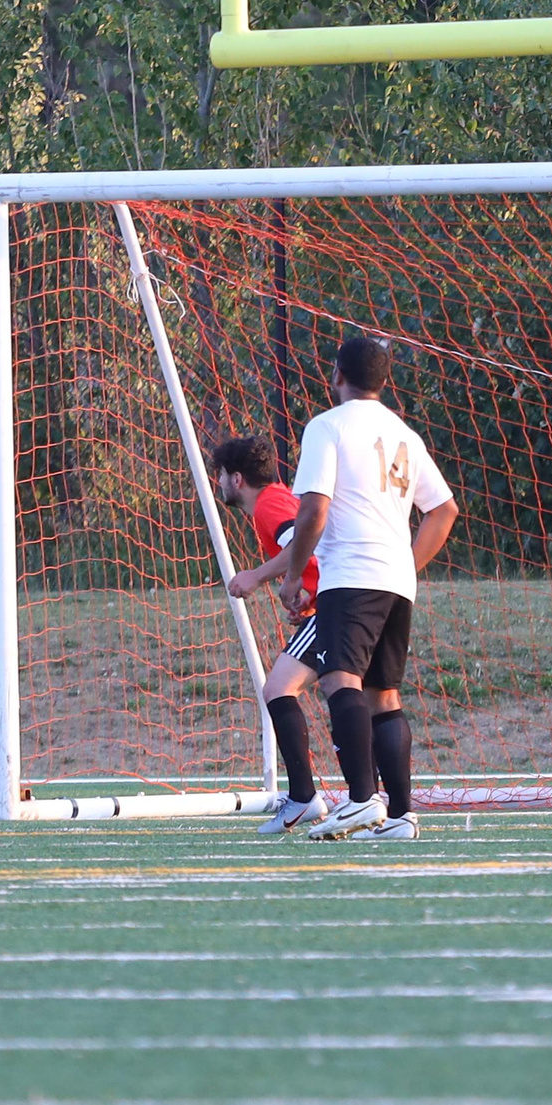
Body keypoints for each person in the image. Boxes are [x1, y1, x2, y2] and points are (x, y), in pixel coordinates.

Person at [227, 335, 458, 843]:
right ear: (383, 381)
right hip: (397, 582)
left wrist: (290, 578)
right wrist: (406, 563)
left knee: (341, 681)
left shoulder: (327, 427)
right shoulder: (405, 435)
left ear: (336, 376)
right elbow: (443, 510)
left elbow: (313, 509)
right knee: (384, 695)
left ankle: (358, 800)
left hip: (351, 575)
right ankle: (400, 815)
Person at [208, 435, 328, 835]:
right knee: (349, 697)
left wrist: (256, 576)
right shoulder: (276, 500)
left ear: (236, 479)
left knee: (278, 689)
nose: (219, 483)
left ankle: (305, 798)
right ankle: (364, 799)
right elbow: (312, 554)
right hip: (327, 603)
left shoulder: (271, 504)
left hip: (337, 606)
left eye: (221, 475)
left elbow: (300, 544)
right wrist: (306, 597)